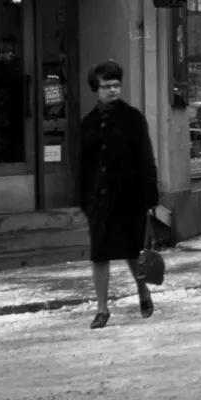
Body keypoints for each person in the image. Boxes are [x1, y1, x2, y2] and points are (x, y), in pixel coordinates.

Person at [79, 60, 158, 329]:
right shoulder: (88, 124)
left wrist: (150, 198)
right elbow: (80, 165)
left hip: (130, 198)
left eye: (116, 85)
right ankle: (102, 309)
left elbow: (146, 159)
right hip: (99, 201)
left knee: (132, 252)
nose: (112, 90)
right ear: (96, 89)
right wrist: (84, 199)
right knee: (99, 254)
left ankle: (143, 291)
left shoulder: (133, 119)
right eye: (106, 86)